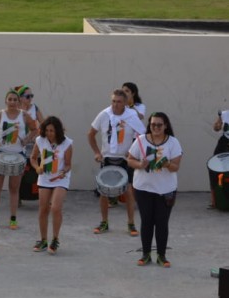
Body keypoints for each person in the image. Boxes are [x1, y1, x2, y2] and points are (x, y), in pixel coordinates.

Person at [127, 112, 183, 268]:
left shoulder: (173, 142)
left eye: (159, 124)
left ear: (165, 126)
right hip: (143, 188)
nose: (156, 127)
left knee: (162, 222)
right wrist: (140, 165)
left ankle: (161, 256)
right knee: (147, 221)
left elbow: (176, 167)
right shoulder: (140, 140)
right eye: (153, 125)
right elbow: (130, 159)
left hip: (166, 190)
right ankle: (145, 255)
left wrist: (166, 164)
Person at [87, 89, 145, 236]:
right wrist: (97, 152)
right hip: (107, 157)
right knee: (103, 191)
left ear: (125, 103)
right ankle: (104, 222)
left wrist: (133, 151)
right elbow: (91, 134)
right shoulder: (104, 114)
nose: (115, 104)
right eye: (113, 101)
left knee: (129, 191)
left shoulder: (131, 116)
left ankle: (131, 224)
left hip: (125, 159)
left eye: (119, 102)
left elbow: (142, 136)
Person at [0, 89, 36, 230]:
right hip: (0, 153)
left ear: (19, 101)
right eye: (10, 99)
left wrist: (27, 139)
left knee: (14, 189)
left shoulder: (24, 115)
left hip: (18, 155)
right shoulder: (0, 115)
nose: (13, 102)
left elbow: (35, 129)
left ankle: (13, 218)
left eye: (15, 100)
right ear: (6, 101)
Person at [29, 116, 73, 254]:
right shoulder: (40, 140)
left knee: (55, 207)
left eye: (52, 131)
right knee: (43, 209)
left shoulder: (67, 143)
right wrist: (37, 168)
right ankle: (43, 240)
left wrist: (63, 171)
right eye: (47, 130)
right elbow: (33, 158)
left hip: (60, 178)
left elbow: (68, 164)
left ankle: (55, 239)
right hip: (45, 178)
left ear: (58, 131)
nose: (49, 133)